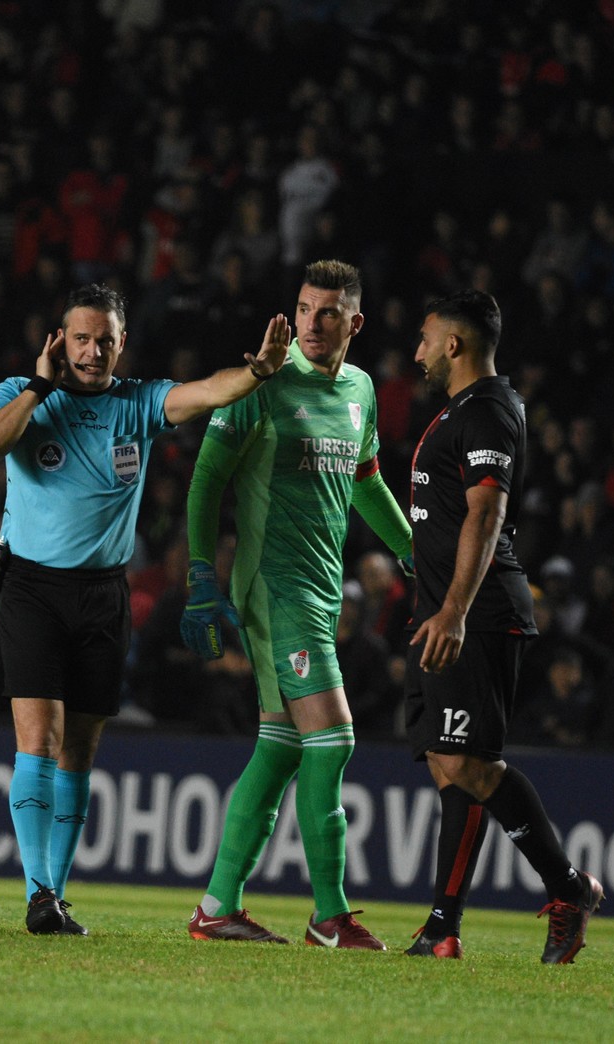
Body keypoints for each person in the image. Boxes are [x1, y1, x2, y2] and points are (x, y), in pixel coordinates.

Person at [0, 282, 288, 936]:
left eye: (104, 340)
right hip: (31, 588)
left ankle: (52, 895)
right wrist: (37, 383)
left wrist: (256, 372)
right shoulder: (18, 393)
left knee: (80, 751)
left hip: (102, 594)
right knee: (39, 740)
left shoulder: (135, 403)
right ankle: (36, 892)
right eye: (81, 339)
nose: (92, 352)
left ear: (121, 343)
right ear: (59, 340)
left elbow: (205, 391)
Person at [180, 260, 413, 949]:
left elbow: (366, 481)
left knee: (282, 746)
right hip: (271, 586)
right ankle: (329, 915)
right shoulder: (261, 382)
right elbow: (204, 482)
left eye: (329, 312)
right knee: (333, 736)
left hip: (317, 587)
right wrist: (199, 576)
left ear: (354, 322)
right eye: (305, 308)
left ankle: (217, 906)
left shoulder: (360, 390)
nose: (312, 323)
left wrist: (411, 552)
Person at [403, 290, 603, 963]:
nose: (417, 352)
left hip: (476, 613)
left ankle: (568, 888)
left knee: (469, 762)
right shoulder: (464, 410)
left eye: (425, 339)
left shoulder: (487, 410)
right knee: (447, 764)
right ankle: (441, 928)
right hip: (441, 611)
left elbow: (485, 513)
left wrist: (455, 610)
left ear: (454, 345)